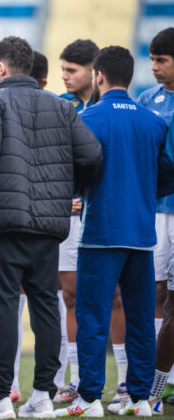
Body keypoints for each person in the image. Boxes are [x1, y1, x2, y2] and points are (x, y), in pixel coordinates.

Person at [0, 36, 102, 418]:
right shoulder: (61, 107)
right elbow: (91, 155)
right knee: (46, 309)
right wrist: (69, 188)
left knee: (3, 308)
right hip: (49, 224)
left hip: (3, 222)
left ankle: (1, 398)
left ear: (1, 68)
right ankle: (42, 396)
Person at [55, 46, 167, 417]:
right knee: (140, 318)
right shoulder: (153, 121)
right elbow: (168, 172)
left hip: (100, 233)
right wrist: (141, 192)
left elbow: (77, 170)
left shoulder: (89, 119)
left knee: (92, 317)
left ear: (99, 76)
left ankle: (89, 400)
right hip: (141, 233)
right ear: (131, 77)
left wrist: (80, 193)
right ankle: (139, 400)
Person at [54, 39, 129, 405]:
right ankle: (77, 379)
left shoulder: (109, 107)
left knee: (115, 297)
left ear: (94, 72)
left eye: (71, 71)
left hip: (108, 213)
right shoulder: (62, 106)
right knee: (71, 295)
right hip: (71, 218)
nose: (64, 77)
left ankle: (127, 381)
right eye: (63, 69)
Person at [138, 26, 174, 404]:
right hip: (154, 211)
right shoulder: (146, 100)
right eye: (151, 59)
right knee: (155, 293)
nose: (154, 67)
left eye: (161, 60)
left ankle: (161, 382)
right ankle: (153, 382)